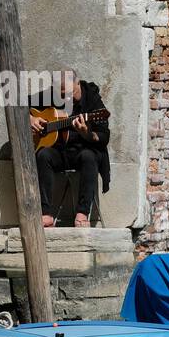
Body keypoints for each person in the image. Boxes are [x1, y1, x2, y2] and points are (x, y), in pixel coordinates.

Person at [32, 69, 111, 228]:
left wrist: (86, 133)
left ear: (77, 83)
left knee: (89, 156)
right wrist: (31, 118)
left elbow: (103, 137)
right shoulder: (52, 95)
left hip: (83, 152)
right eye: (62, 95)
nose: (67, 98)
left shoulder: (93, 100)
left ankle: (82, 214)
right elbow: (19, 105)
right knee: (43, 155)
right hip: (61, 152)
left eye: (71, 93)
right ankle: (45, 214)